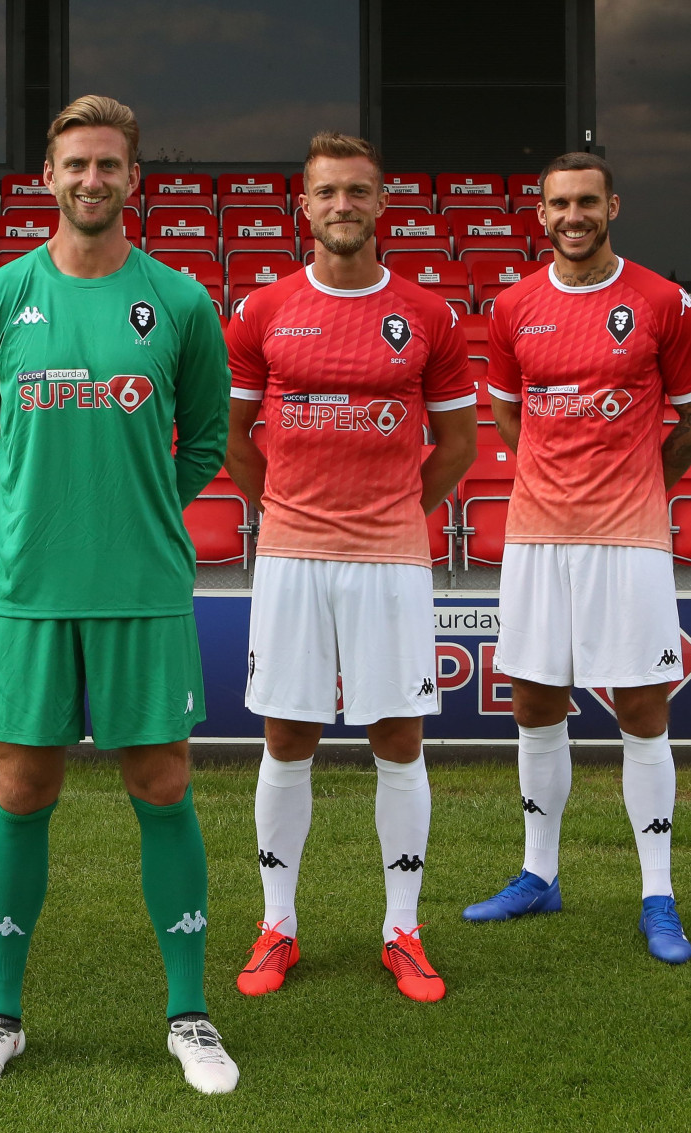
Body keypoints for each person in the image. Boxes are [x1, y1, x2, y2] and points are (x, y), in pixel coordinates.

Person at [0, 95, 236, 1096]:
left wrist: (137, 510)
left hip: (141, 587)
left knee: (160, 783)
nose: (91, 180)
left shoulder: (181, 301)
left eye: (109, 165)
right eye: (75, 165)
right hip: (28, 589)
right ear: (47, 177)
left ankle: (189, 1011)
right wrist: (28, 514)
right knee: (22, 789)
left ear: (133, 179)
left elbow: (204, 440)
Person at [223, 132, 478, 1003]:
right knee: (286, 737)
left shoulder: (429, 315)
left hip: (389, 560)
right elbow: (230, 435)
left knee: (397, 739)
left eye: (358, 192)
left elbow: (456, 445)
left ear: (382, 204)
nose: (343, 206)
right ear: (305, 204)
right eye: (327, 192)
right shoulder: (262, 311)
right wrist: (282, 506)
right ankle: (277, 924)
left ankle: (402, 929)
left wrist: (399, 511)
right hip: (293, 556)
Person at [463, 152, 691, 964]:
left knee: (642, 705)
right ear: (539, 215)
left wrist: (642, 480)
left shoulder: (660, 301)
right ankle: (540, 874)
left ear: (614, 205)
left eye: (587, 202)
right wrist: (557, 479)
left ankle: (657, 893)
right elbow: (510, 414)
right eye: (558, 204)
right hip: (538, 535)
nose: (573, 216)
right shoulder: (513, 307)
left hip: (627, 538)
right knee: (535, 700)